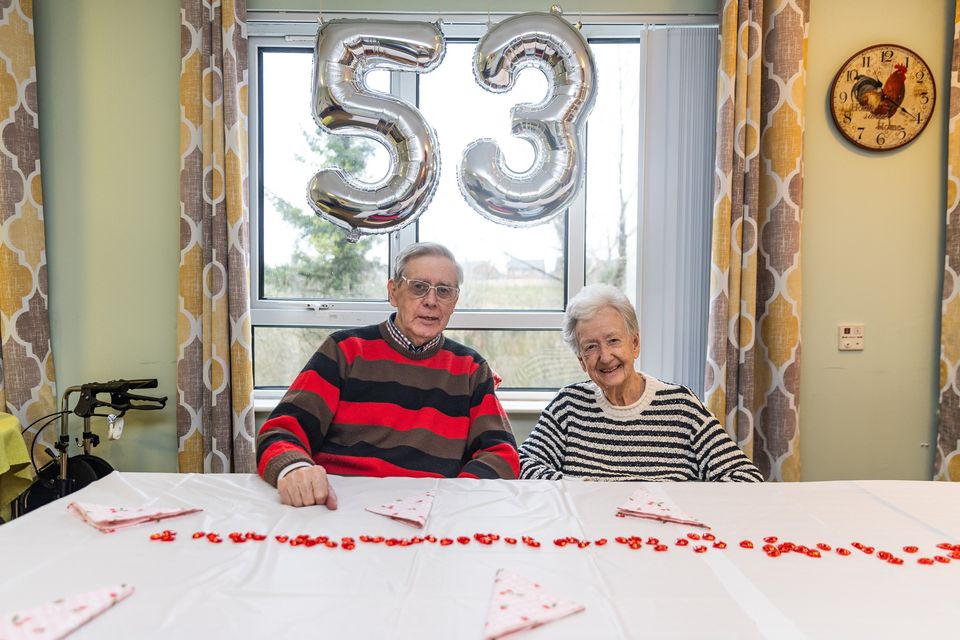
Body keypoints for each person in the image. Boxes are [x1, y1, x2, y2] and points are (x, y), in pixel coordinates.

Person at [256, 242, 520, 508]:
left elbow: (501, 453)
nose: (431, 301)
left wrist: (454, 498)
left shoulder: (471, 368)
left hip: (431, 513)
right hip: (339, 507)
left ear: (455, 301)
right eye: (418, 287)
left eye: (444, 291)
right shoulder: (345, 350)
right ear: (393, 292)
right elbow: (280, 430)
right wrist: (294, 469)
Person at [519, 284, 763, 482]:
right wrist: (576, 488)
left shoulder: (681, 407)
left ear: (635, 344)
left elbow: (745, 478)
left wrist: (685, 501)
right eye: (591, 347)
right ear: (582, 361)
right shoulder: (569, 406)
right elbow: (522, 464)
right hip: (587, 537)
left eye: (614, 340)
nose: (605, 356)